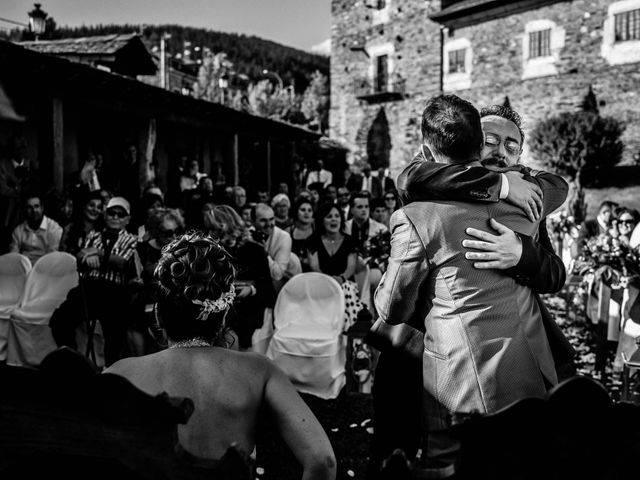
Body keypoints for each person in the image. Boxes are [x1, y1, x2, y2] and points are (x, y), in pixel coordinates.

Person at [368, 102, 571, 477]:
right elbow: (410, 176)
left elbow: (555, 275)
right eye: (490, 140)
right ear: (470, 142)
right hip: (423, 350)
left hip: (517, 356)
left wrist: (521, 254)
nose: (501, 151)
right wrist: (500, 183)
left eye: (512, 146)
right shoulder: (428, 189)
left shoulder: (530, 202)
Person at [104, 233, 336, 478]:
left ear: (159, 314)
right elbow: (323, 461)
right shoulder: (258, 371)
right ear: (223, 316)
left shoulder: (120, 374)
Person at [207, 205, 275, 350]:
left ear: (226, 227)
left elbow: (267, 288)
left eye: (214, 229)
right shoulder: (208, 252)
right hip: (216, 313)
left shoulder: (254, 250)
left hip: (247, 311)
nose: (209, 234)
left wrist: (251, 289)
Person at [133, 208, 185, 356]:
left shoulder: (182, 250)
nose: (174, 236)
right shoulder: (142, 249)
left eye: (177, 231)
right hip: (147, 304)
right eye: (168, 233)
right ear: (156, 231)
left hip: (174, 304)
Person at [307, 202, 362, 330]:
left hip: (345, 283)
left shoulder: (350, 241)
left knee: (345, 290)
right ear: (321, 220)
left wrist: (340, 279)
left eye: (337, 216)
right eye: (329, 216)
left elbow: (351, 267)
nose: (333, 219)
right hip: (321, 282)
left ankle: (347, 332)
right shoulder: (312, 241)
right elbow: (314, 266)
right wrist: (328, 282)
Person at [252, 203, 297, 288]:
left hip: (283, 285)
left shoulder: (284, 237)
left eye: (271, 219)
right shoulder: (248, 235)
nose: (269, 224)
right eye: (263, 220)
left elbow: (277, 275)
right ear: (253, 222)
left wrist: (264, 253)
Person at [10, 193, 63, 264]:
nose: (34, 210)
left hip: (45, 269)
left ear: (42, 208)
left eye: (36, 206)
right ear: (25, 210)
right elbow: (13, 257)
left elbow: (53, 258)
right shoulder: (18, 230)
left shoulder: (54, 229)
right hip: (23, 269)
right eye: (29, 207)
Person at [60, 190, 104, 256]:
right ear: (84, 206)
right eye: (91, 205)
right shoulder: (69, 228)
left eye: (99, 207)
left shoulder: (103, 231)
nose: (95, 210)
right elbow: (62, 254)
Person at [288, 197, 315, 271]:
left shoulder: (318, 231)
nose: (306, 213)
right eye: (303, 210)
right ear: (296, 212)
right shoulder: (287, 231)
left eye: (310, 210)